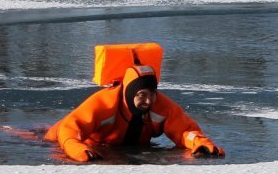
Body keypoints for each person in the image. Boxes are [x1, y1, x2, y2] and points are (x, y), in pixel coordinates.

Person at [44, 63, 224, 162]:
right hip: (56, 137)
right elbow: (69, 129)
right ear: (130, 95)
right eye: (142, 95)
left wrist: (200, 143)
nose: (148, 101)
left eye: (152, 94)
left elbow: (185, 130)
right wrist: (77, 148)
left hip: (121, 148)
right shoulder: (103, 103)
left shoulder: (161, 106)